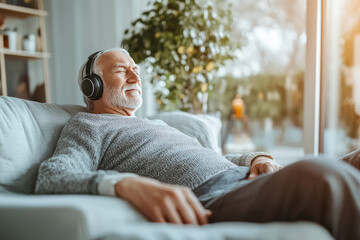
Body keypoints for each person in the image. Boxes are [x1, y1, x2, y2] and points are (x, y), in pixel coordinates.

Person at [35, 48, 360, 240]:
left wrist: (255, 157)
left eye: (136, 69)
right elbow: (52, 175)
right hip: (216, 197)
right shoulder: (87, 124)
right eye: (122, 71)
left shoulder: (155, 125)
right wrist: (125, 184)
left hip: (250, 181)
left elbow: (215, 157)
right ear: (94, 87)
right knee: (320, 175)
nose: (135, 76)